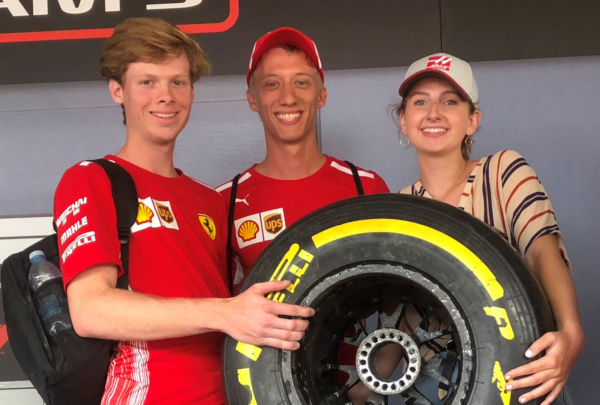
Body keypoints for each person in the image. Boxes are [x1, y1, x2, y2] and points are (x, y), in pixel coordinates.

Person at [53, 18, 313, 405]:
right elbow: (91, 310)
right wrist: (223, 313)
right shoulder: (91, 179)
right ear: (116, 90)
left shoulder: (212, 201)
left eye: (178, 81)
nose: (166, 96)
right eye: (147, 81)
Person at [395, 53, 583, 405]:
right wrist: (358, 392)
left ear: (472, 121)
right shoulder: (402, 207)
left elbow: (543, 249)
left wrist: (571, 334)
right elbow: (403, 315)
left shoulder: (501, 172)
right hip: (434, 390)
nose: (433, 112)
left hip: (518, 379)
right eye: (420, 102)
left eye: (450, 101)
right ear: (404, 122)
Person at [217, 27, 390, 287]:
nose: (288, 98)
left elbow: (393, 293)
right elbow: (221, 311)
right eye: (272, 84)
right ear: (253, 100)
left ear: (321, 96)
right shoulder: (224, 202)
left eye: (301, 82)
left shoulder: (366, 187)